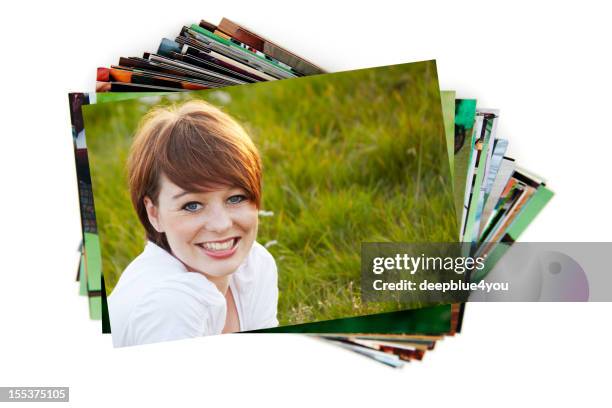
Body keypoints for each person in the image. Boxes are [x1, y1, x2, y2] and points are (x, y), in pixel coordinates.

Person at [108, 100, 279, 347]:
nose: (221, 225)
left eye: (235, 198)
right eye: (192, 205)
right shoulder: (170, 304)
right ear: (153, 213)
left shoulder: (255, 266)